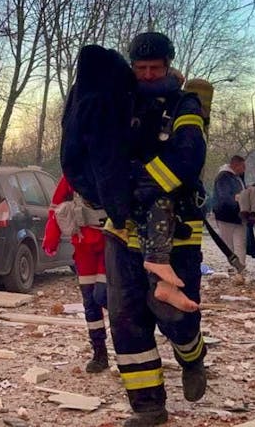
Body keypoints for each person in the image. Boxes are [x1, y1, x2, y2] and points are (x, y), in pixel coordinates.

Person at [103, 32, 209, 426]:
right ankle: (148, 407)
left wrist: (147, 183)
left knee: (172, 313)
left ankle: (192, 355)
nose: (147, 76)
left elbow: (189, 151)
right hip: (122, 228)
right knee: (126, 319)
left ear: (168, 66)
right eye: (141, 68)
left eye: (155, 68)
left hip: (176, 229)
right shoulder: (121, 103)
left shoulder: (185, 103)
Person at [42, 175, 111, 374]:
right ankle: (99, 352)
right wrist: (51, 238)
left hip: (112, 241)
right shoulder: (74, 171)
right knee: (90, 301)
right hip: (83, 244)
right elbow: (56, 206)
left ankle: (128, 343)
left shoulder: (111, 163)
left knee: (104, 295)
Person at [211, 155, 247, 284]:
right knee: (229, 244)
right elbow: (224, 197)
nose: (245, 169)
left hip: (237, 215)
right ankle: (236, 266)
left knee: (239, 242)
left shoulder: (237, 177)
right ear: (235, 165)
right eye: (243, 166)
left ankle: (240, 267)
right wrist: (237, 201)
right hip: (226, 215)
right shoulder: (224, 177)